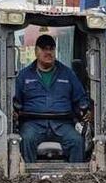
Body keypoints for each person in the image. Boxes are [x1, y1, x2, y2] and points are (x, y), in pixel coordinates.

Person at [13, 34, 92, 163]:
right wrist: (14, 112)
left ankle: (76, 175)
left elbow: (80, 98)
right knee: (26, 139)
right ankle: (27, 175)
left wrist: (85, 109)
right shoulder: (24, 76)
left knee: (77, 141)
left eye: (51, 49)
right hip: (33, 124)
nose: (48, 52)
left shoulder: (68, 74)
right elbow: (15, 100)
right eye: (44, 48)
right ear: (36, 51)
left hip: (62, 123)